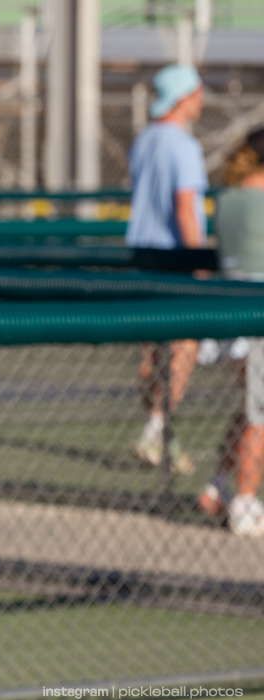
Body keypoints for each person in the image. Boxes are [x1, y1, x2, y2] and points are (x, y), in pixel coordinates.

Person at [125, 64, 207, 475]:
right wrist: (199, 262)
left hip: (141, 255)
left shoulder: (144, 141)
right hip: (174, 258)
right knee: (182, 348)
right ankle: (157, 429)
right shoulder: (182, 146)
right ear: (183, 98)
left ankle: (160, 432)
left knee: (152, 351)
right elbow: (184, 206)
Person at [199, 126, 264, 536]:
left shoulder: (228, 200)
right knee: (260, 414)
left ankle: (217, 487)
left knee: (250, 408)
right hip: (257, 315)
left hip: (232, 313)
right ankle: (244, 500)